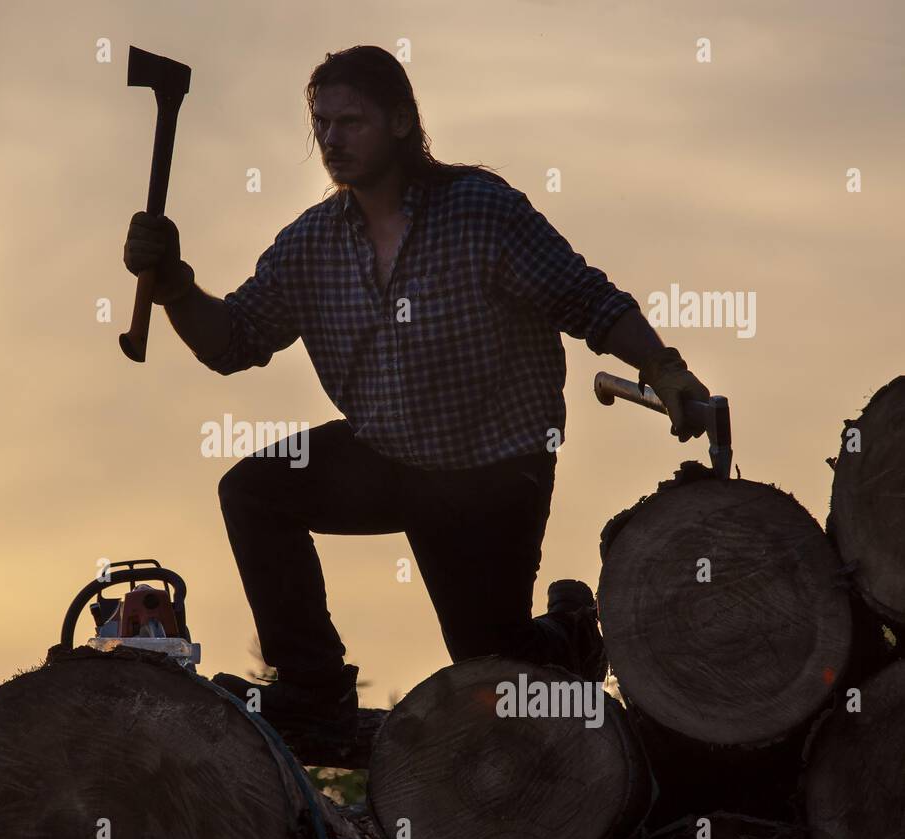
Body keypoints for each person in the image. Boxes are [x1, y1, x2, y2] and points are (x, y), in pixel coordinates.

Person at [122, 45, 711, 743]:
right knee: (253, 490)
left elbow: (587, 299)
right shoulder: (313, 245)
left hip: (494, 468)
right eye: (322, 124)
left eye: (352, 121)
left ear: (401, 122)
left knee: (495, 672)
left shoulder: (479, 212)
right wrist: (177, 289)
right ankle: (313, 686)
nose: (333, 140)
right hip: (388, 453)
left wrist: (665, 367)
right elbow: (232, 342)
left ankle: (574, 632)